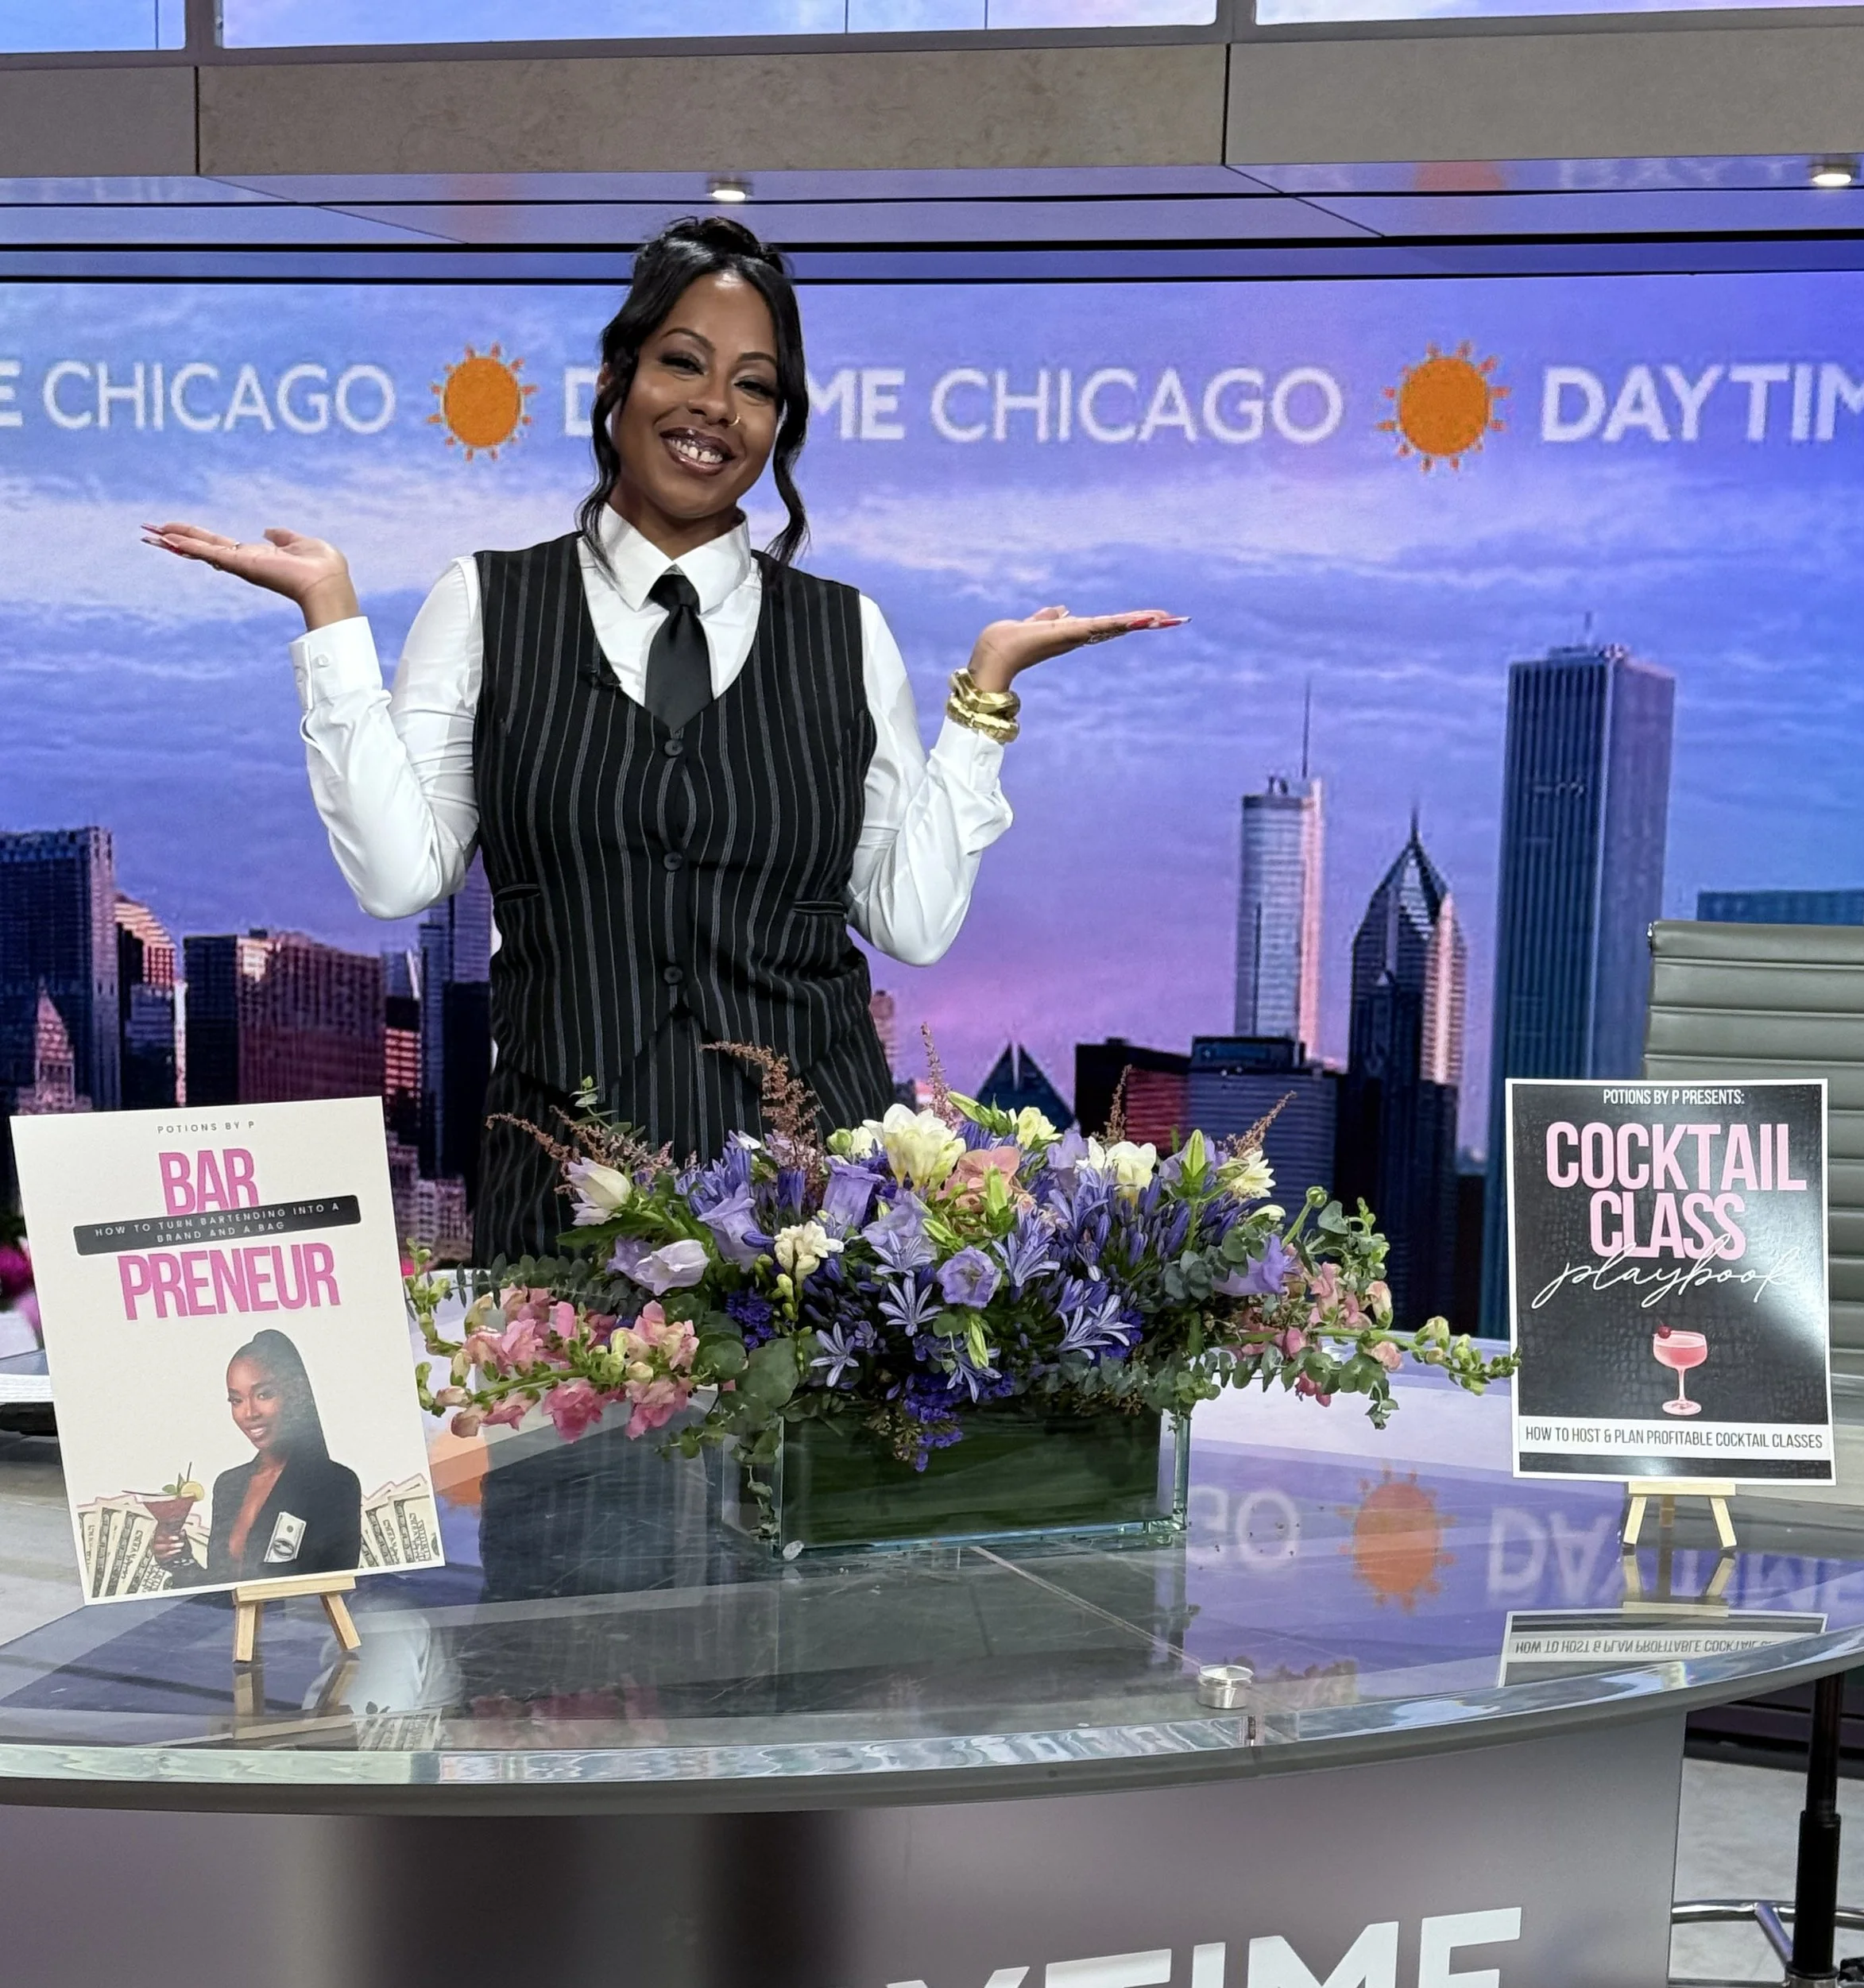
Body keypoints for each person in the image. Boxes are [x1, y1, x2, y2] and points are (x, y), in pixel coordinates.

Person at [146, 215, 1182, 1259]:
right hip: (568, 1196)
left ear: (782, 421)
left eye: (756, 384)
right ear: (615, 379)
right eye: (683, 361)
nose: (714, 407)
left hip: (813, 1215)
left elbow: (909, 922)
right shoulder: (489, 603)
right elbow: (396, 875)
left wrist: (983, 700)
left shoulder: (844, 630)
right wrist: (330, 622)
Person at [153, 1330, 362, 1587]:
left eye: (264, 1395)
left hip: (301, 1626)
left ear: (295, 1394)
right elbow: (222, 1592)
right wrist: (177, 1558)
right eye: (236, 1400)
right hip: (234, 1627)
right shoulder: (229, 1485)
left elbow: (333, 1588)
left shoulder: (335, 1484)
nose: (249, 1413)